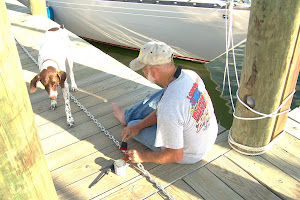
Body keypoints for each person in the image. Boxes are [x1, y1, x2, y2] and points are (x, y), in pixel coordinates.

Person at [112, 41, 218, 164]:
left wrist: (143, 156)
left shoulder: (168, 108)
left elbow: (175, 155)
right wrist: (138, 127)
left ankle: (128, 118)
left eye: (144, 69)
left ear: (155, 71)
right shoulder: (190, 75)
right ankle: (129, 118)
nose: (143, 72)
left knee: (133, 122)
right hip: (208, 138)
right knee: (163, 95)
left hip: (189, 154)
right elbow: (168, 108)